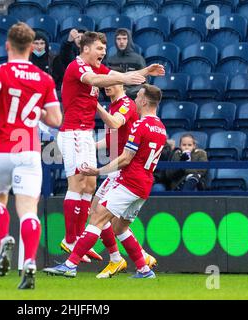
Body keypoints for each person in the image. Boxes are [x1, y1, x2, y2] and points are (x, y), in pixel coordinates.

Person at [56, 30, 165, 264]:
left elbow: (115, 75)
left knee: (90, 185)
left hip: (85, 134)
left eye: (105, 50)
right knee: (78, 184)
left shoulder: (104, 77)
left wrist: (144, 72)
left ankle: (113, 255)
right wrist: (125, 79)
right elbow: (98, 81)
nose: (103, 54)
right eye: (99, 49)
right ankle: (72, 239)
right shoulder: (78, 68)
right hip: (74, 131)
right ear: (85, 49)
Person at [44, 84, 166, 279]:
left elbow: (126, 158)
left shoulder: (140, 124)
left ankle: (70, 264)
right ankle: (144, 269)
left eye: (138, 97)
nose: (135, 100)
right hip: (144, 184)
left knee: (97, 217)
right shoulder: (161, 128)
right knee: (120, 227)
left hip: (129, 181)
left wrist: (98, 170)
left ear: (144, 101)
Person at [0, 22, 62, 290]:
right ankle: (31, 262)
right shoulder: (43, 78)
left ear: (8, 46)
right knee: (28, 212)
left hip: (0, 146)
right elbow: (56, 119)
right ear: (32, 46)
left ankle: (3, 239)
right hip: (28, 149)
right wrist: (35, 110)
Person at [92, 83, 157, 278]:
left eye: (111, 82)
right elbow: (113, 139)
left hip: (123, 169)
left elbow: (114, 124)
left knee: (99, 215)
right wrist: (90, 146)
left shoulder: (126, 105)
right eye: (105, 83)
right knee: (104, 217)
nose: (106, 86)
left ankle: (117, 259)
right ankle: (137, 259)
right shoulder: (114, 107)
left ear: (121, 83)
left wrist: (94, 104)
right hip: (118, 167)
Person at [106, 28, 147, 99]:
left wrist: (127, 92)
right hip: (114, 95)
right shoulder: (110, 60)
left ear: (129, 40)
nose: (121, 42)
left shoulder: (138, 59)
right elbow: (106, 80)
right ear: (115, 41)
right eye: (118, 39)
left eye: (124, 38)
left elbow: (144, 83)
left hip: (133, 96)